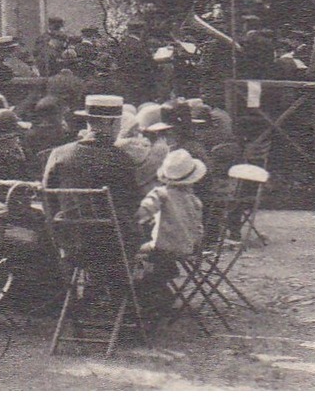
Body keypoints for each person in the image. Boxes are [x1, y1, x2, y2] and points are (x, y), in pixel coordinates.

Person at [44, 94, 142, 232]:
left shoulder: (58, 154)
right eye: (119, 123)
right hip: (112, 242)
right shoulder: (122, 160)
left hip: (68, 238)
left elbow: (48, 198)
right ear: (110, 122)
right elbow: (132, 206)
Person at [135, 147, 207, 312]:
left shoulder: (160, 194)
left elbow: (141, 214)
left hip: (162, 248)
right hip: (188, 247)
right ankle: (159, 284)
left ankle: (144, 292)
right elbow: (198, 228)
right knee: (158, 254)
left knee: (133, 249)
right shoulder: (194, 200)